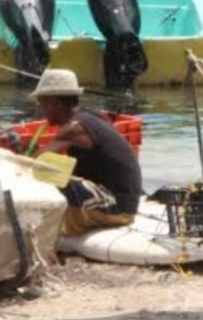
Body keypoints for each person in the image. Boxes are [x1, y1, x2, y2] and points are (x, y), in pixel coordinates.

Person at [28, 69, 142, 235]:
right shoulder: (92, 116)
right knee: (55, 173)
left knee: (45, 178)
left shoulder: (73, 128)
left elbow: (34, 163)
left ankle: (44, 232)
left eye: (42, 103)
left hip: (117, 208)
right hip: (127, 202)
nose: (41, 109)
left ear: (55, 101)